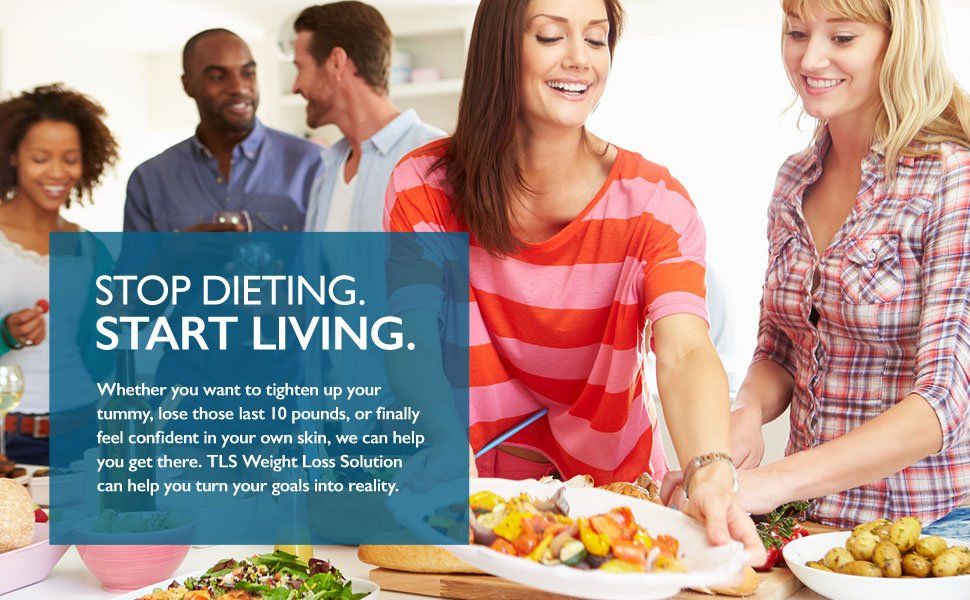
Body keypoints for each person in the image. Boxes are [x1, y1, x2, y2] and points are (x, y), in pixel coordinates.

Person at [384, 0, 765, 561]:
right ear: (500, 49)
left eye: (596, 39)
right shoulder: (423, 186)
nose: (580, 60)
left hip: (619, 504)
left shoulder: (656, 204)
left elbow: (683, 351)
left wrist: (709, 469)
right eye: (550, 36)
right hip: (476, 497)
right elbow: (409, 341)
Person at [727, 0, 969, 536]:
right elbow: (781, 349)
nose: (811, 58)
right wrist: (743, 413)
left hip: (927, 532)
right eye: (796, 32)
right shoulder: (793, 179)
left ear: (897, 43)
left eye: (842, 39)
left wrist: (774, 481)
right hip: (807, 526)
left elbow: (943, 403)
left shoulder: (951, 179)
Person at [0, 84, 116, 465]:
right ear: (13, 155)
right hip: (9, 441)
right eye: (40, 157)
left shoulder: (87, 246)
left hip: (85, 432)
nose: (56, 172)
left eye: (70, 158)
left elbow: (105, 344)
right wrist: (5, 334)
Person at [124, 29, 321, 232]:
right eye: (218, 77)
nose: (238, 87)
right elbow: (135, 265)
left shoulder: (313, 164)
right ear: (187, 85)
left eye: (248, 73)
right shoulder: (150, 180)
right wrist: (176, 251)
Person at [293, 1, 443, 233]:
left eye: (300, 68)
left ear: (336, 62)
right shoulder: (327, 170)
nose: (295, 86)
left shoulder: (437, 159)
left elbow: (460, 267)